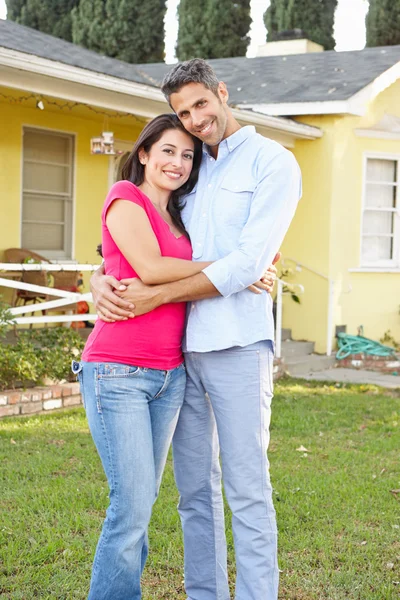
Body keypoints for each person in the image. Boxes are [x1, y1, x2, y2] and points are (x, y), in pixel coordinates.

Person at [91, 59, 302, 600]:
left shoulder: (272, 162)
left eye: (200, 105)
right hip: (180, 355)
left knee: (247, 490)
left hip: (237, 346)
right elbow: (144, 242)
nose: (195, 120)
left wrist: (155, 293)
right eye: (182, 112)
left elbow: (246, 265)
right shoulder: (192, 167)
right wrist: (101, 277)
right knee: (194, 493)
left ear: (221, 93)